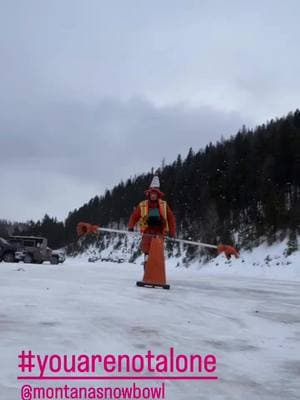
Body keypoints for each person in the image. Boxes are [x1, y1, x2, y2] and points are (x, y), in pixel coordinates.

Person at [128, 174, 176, 258]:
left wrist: (172, 232)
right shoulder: (143, 204)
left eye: (155, 194)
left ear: (158, 195)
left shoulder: (163, 204)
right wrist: (131, 226)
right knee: (147, 251)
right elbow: (134, 216)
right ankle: (147, 259)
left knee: (157, 252)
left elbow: (171, 218)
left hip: (159, 232)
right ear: (149, 194)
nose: (153, 195)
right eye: (152, 194)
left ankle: (155, 262)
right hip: (147, 232)